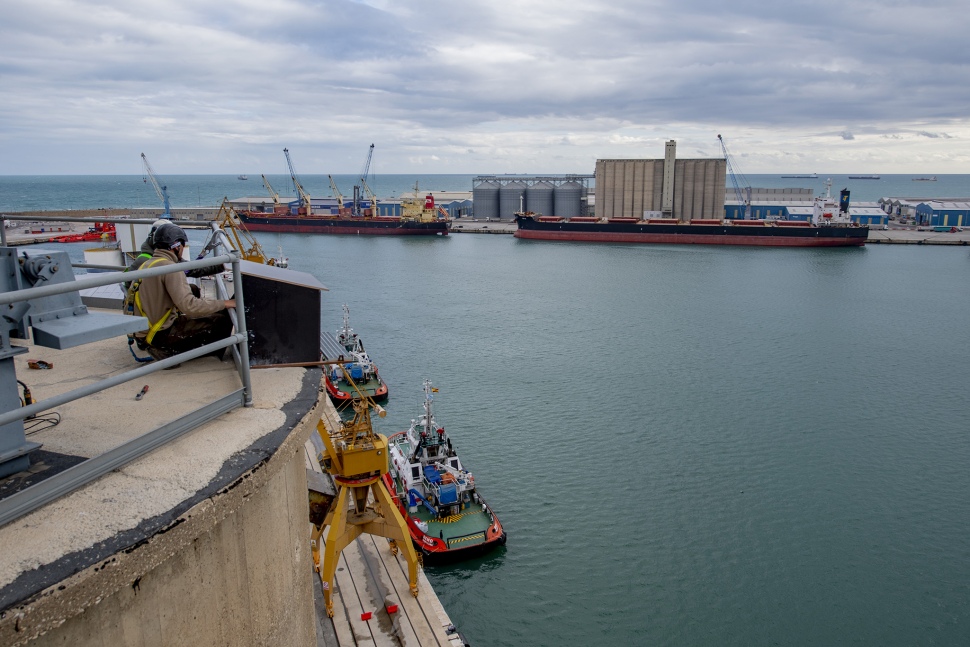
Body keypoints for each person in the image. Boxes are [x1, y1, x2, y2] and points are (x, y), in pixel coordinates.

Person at [132, 224, 236, 362]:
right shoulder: (171, 268)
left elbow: (194, 269)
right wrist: (226, 303)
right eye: (183, 245)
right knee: (222, 320)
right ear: (176, 246)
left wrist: (220, 265)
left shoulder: (148, 263)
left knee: (192, 289)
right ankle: (166, 351)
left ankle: (159, 345)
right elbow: (190, 306)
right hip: (158, 335)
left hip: (144, 331)